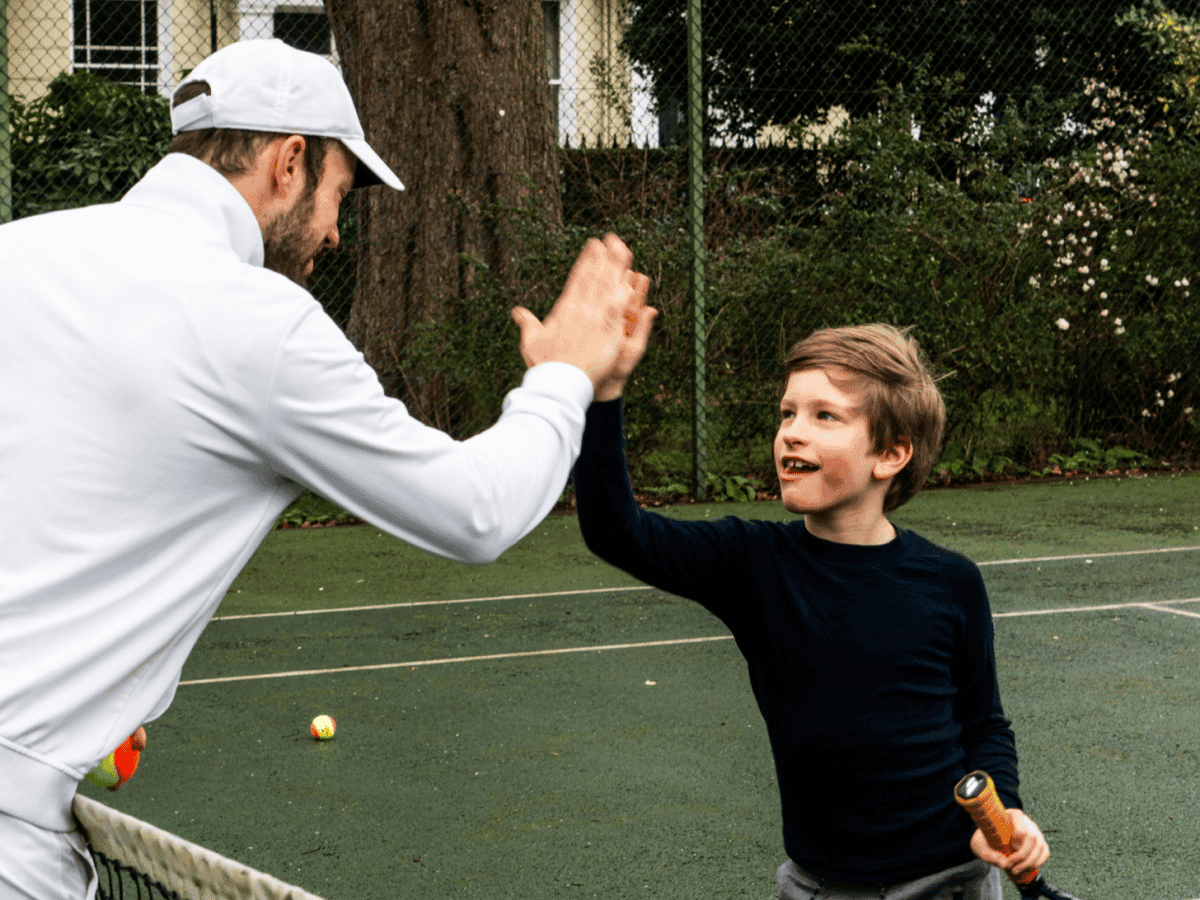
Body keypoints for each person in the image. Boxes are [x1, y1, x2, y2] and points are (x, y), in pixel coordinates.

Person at [0, 39, 645, 900]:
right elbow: (476, 511)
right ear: (289, 160)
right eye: (341, 193)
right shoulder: (260, 323)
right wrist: (563, 374)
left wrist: (91, 689)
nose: (339, 231)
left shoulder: (20, 251)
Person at [574, 316, 1052, 899]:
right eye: (787, 413)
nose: (792, 434)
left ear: (891, 453)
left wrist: (1010, 810)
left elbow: (983, 723)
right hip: (821, 886)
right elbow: (615, 532)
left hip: (950, 879)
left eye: (825, 415)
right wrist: (604, 391)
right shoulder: (752, 563)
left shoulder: (951, 581)